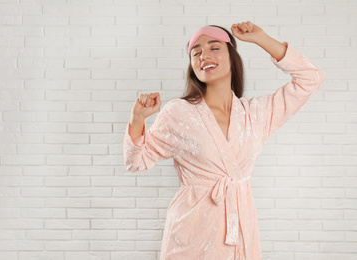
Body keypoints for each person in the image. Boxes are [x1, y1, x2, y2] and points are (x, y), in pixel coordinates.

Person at [123, 21, 326, 260]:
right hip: (190, 235)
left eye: (214, 47)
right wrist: (138, 118)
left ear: (232, 57)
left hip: (240, 233)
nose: (203, 55)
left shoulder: (256, 114)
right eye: (195, 52)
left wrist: (262, 39)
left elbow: (311, 78)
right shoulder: (178, 112)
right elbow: (137, 162)